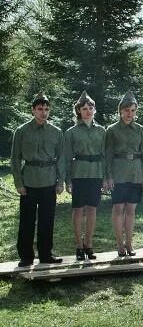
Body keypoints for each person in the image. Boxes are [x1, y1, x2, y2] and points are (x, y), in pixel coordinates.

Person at [10, 92, 64, 267]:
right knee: (27, 219)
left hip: (49, 180)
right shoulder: (22, 131)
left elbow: (61, 158)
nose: (43, 112)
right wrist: (19, 182)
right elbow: (15, 159)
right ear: (33, 110)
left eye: (46, 109)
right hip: (29, 181)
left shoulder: (56, 132)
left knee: (47, 219)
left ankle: (46, 254)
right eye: (40, 109)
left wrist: (60, 181)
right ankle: (26, 256)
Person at [105, 91, 143, 257]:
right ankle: (119, 244)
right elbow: (108, 154)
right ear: (120, 111)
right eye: (126, 110)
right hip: (118, 172)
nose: (129, 114)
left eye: (132, 110)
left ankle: (129, 244)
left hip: (136, 173)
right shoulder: (112, 130)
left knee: (131, 209)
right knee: (118, 208)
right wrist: (108, 176)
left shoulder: (141, 130)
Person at [62, 91, 106, 260]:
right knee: (78, 209)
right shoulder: (71, 132)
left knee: (92, 209)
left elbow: (105, 156)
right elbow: (66, 158)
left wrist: (106, 176)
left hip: (96, 173)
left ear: (95, 110)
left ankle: (88, 244)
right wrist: (68, 180)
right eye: (84, 108)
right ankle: (78, 245)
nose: (88, 111)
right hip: (78, 173)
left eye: (91, 107)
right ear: (78, 111)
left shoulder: (101, 131)